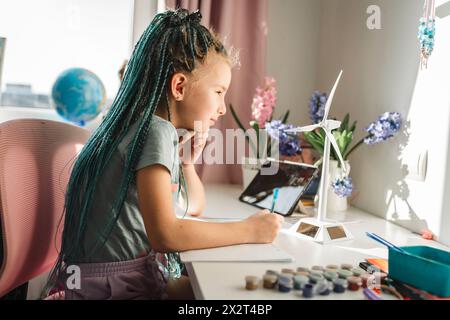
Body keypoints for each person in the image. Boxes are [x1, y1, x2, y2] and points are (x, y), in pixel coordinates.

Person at [44, 8, 283, 300]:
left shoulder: (130, 126)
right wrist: (250, 231)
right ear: (179, 86)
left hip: (99, 281)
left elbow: (191, 207)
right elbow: (166, 235)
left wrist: (187, 163)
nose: (222, 108)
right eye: (219, 92)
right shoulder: (156, 131)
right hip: (113, 288)